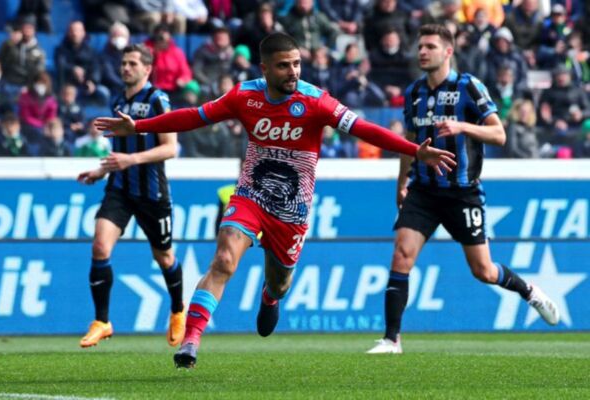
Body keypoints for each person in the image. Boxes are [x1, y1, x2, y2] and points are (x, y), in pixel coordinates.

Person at [95, 32, 456, 369]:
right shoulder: (244, 96)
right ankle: (191, 341)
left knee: (280, 281)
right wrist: (139, 126)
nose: (293, 72)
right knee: (223, 259)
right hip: (250, 195)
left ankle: (269, 296)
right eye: (284, 66)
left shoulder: (316, 101)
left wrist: (414, 151)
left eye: (297, 64)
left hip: (292, 209)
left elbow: (364, 128)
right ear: (264, 68)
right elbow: (195, 116)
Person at [366, 24, 560, 355]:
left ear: (448, 51)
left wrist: (462, 126)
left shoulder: (469, 86)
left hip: (462, 192)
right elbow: (410, 142)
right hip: (423, 191)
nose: (422, 51)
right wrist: (402, 183)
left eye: (430, 46)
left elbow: (499, 134)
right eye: (420, 46)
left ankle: (529, 291)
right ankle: (391, 339)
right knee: (401, 254)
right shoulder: (414, 92)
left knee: (483, 270)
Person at [77, 44, 184, 349]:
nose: (126, 68)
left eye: (132, 63)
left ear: (147, 69)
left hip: (152, 192)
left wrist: (131, 160)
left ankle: (178, 311)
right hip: (120, 188)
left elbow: (170, 148)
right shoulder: (117, 100)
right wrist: (101, 170)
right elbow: (119, 151)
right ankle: (102, 321)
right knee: (100, 246)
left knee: (164, 257)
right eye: (124, 63)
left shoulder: (158, 100)